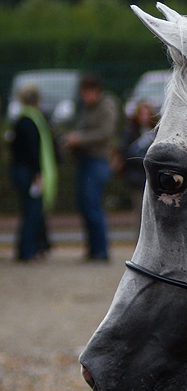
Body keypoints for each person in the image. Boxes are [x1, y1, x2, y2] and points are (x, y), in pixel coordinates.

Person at [62, 73, 119, 261]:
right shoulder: (86, 108)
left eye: (88, 93)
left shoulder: (106, 106)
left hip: (98, 161)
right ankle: (92, 248)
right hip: (84, 161)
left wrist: (79, 139)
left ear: (96, 91)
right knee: (84, 205)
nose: (86, 97)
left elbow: (105, 133)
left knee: (92, 203)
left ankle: (102, 250)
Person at [9, 84, 58, 261]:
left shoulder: (22, 120)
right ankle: (27, 249)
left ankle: (28, 247)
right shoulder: (32, 121)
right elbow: (33, 150)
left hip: (22, 171)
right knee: (32, 211)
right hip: (29, 173)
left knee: (29, 210)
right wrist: (38, 173)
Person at [115, 100, 158, 228]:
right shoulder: (130, 133)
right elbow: (126, 153)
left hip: (153, 180)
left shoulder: (156, 132)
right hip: (137, 179)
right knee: (140, 213)